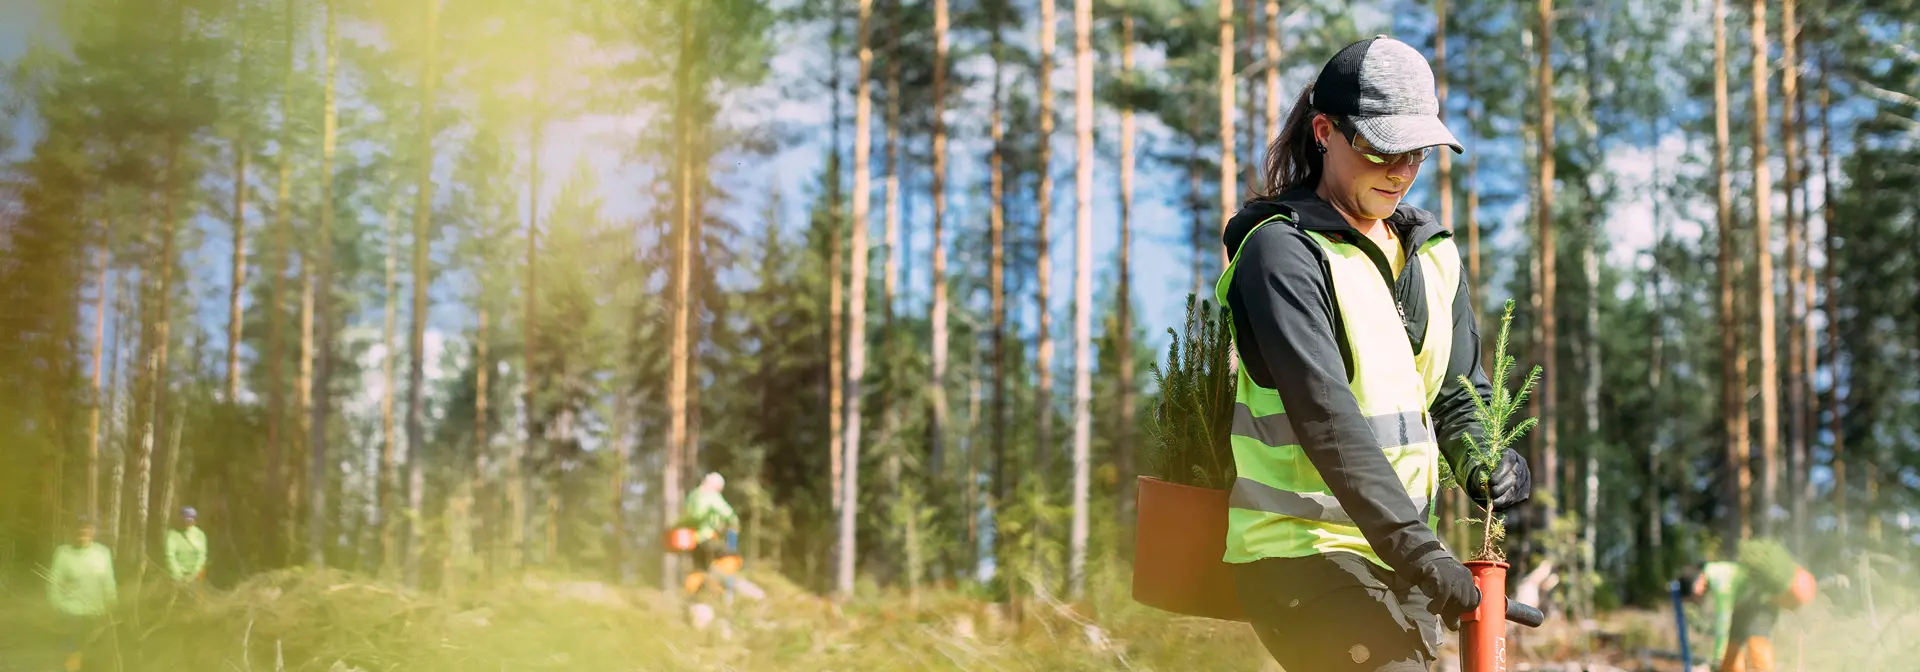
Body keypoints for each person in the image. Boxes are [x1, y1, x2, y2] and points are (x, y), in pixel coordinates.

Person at [1219, 35, 1533, 671]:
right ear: (1325, 132)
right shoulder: (1281, 253)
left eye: (1417, 152)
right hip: (1301, 554)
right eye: (1381, 148)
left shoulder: (1432, 253)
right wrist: (1422, 552)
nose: (1401, 170)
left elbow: (1457, 396)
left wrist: (1485, 464)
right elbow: (1327, 420)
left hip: (1397, 556)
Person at [1688, 540, 1817, 672]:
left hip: (1758, 603)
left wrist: (1717, 659)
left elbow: (1723, 623)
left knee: (1756, 646)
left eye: (1693, 596)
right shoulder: (1717, 571)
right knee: (1735, 650)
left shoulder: (1721, 584)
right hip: (1747, 605)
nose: (1696, 598)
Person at [48, 517, 116, 672]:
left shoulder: (102, 553)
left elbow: (109, 582)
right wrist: (59, 606)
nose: (83, 533)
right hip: (72, 614)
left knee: (96, 657)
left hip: (98, 614)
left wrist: (112, 604)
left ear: (92, 532)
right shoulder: (63, 554)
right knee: (73, 657)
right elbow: (54, 584)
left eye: (87, 529)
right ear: (73, 532)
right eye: (79, 529)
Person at [679, 473, 741, 602]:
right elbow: (730, 516)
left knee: (699, 570)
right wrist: (732, 534)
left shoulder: (693, 496)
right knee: (732, 557)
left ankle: (691, 600)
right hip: (706, 539)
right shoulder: (712, 496)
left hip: (692, 542)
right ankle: (726, 592)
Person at [165, 506, 208, 587]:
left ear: (194, 520)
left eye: (191, 520)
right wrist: (178, 575)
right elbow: (170, 556)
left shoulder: (200, 535)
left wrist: (194, 573)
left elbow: (202, 556)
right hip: (177, 578)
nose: (188, 522)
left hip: (195, 578)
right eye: (185, 519)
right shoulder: (172, 535)